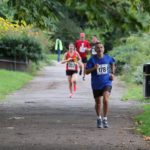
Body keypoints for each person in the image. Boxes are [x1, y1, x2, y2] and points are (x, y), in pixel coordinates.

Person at [85, 42, 115, 128]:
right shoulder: (92, 60)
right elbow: (86, 72)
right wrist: (94, 68)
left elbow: (113, 63)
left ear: (104, 49)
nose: (100, 49)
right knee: (98, 103)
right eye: (98, 48)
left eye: (101, 47)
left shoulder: (108, 58)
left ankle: (105, 119)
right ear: (95, 50)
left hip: (107, 82)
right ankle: (99, 118)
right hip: (96, 84)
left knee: (106, 100)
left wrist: (112, 73)